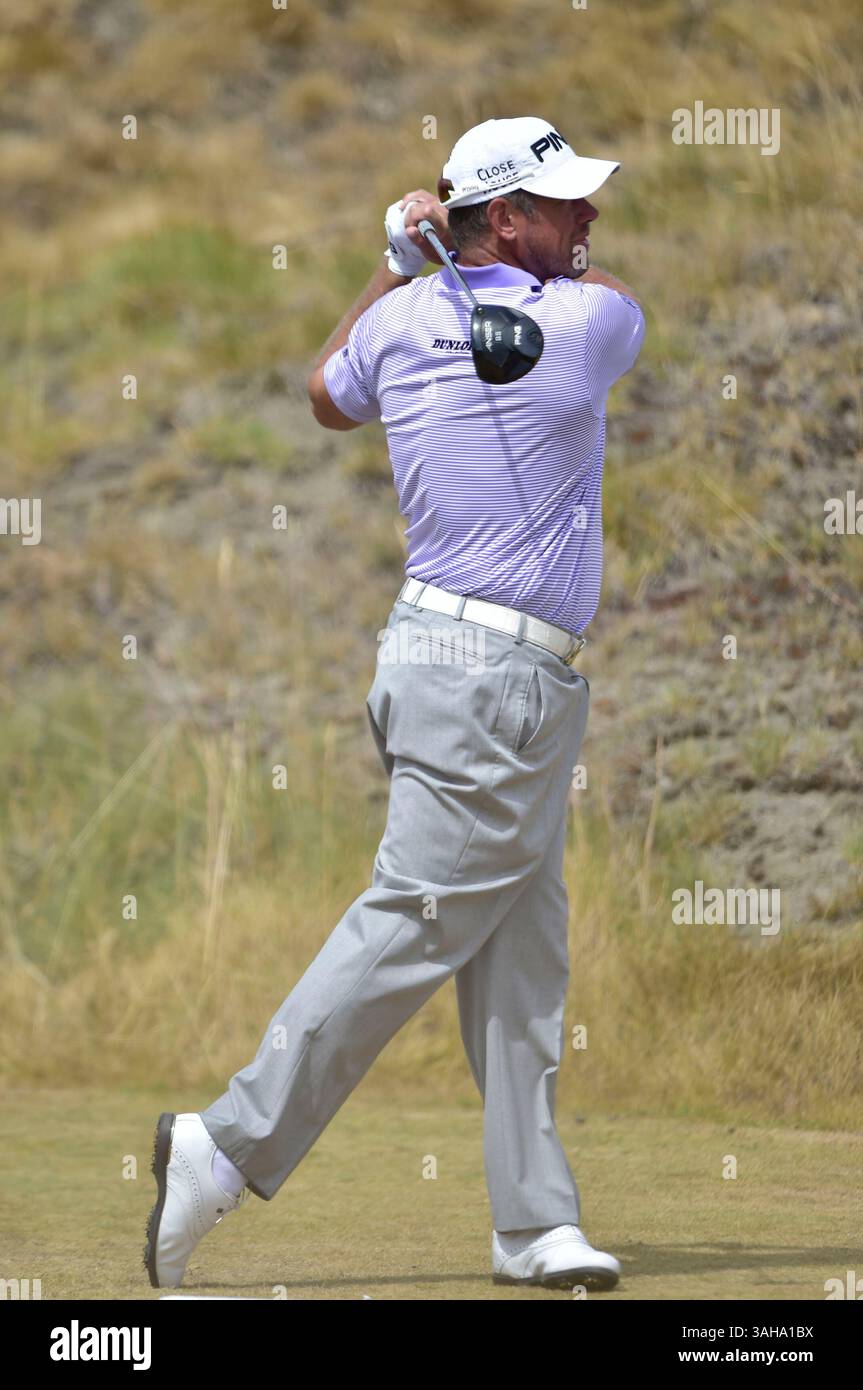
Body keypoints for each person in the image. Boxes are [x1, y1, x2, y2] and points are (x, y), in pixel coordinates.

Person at [144, 116, 645, 1293]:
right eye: (563, 205)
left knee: (522, 956)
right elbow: (613, 294)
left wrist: (395, 256)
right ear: (505, 219)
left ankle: (531, 1220)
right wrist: (499, 257)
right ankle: (222, 1144)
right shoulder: (586, 321)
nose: (588, 223)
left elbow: (324, 390)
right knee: (412, 921)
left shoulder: (403, 320)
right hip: (498, 685)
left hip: (432, 658)